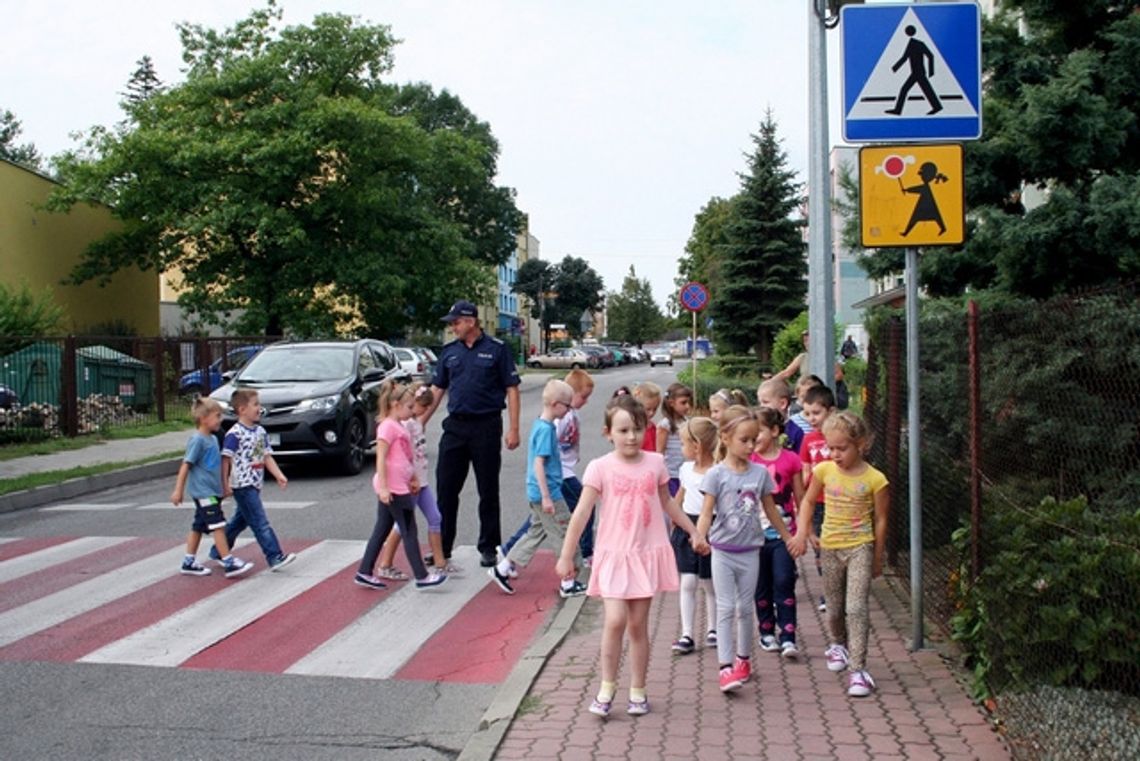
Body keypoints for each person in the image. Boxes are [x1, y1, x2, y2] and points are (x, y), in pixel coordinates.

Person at [557, 395, 707, 718]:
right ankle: (607, 685)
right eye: (623, 430)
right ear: (608, 432)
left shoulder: (655, 463)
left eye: (637, 429)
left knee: (638, 626)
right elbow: (582, 513)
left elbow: (668, 503)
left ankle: (638, 689)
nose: (631, 437)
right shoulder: (600, 467)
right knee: (615, 620)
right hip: (613, 554)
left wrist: (693, 531)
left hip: (644, 554)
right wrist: (567, 555)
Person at [696, 405, 800, 693]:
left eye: (754, 439)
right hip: (722, 551)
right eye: (744, 440)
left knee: (745, 609)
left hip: (751, 551)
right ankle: (725, 667)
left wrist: (787, 536)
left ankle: (743, 660)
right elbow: (706, 512)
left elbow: (771, 508)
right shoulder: (716, 475)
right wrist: (699, 536)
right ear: (725, 437)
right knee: (726, 607)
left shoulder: (759, 474)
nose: (751, 445)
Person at [789, 412, 889, 698]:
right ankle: (838, 644)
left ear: (861, 445)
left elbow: (881, 519)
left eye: (841, 448)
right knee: (833, 608)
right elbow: (808, 502)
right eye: (830, 448)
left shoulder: (876, 479)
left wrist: (878, 556)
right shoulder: (824, 471)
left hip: (860, 547)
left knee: (855, 608)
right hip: (830, 547)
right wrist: (801, 533)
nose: (834, 454)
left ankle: (858, 670)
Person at [426, 299, 521, 569]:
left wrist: (513, 428)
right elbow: (437, 389)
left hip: (486, 426)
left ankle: (489, 547)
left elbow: (512, 388)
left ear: (471, 322)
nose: (452, 327)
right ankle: (442, 546)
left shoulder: (497, 350)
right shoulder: (449, 352)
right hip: (455, 427)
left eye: (456, 322)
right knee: (446, 490)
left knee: (487, 490)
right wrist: (420, 422)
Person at [490, 379, 587, 598]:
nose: (569, 410)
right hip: (548, 493)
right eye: (567, 405)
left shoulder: (540, 425)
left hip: (539, 492)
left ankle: (503, 567)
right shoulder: (546, 430)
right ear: (554, 404)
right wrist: (547, 497)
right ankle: (568, 582)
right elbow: (538, 464)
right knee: (564, 532)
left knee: (535, 532)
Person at [355, 380, 447, 590]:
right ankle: (422, 576)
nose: (412, 411)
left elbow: (407, 457)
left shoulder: (397, 426)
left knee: (382, 529)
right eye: (409, 407)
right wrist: (385, 487)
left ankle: (364, 571)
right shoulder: (387, 427)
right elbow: (381, 458)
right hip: (395, 489)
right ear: (396, 404)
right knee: (409, 530)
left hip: (400, 486)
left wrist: (414, 477)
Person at [374, 384, 454, 580]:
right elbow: (394, 455)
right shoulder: (404, 425)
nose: (424, 411)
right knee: (401, 527)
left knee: (435, 518)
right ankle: (386, 563)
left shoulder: (416, 422)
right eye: (421, 407)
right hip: (409, 483)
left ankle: (440, 562)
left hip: (421, 480)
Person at [170, 397, 253, 578]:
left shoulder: (213, 439)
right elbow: (186, 465)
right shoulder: (198, 440)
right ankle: (229, 561)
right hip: (203, 492)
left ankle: (189, 561)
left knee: (198, 526)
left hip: (211, 491)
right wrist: (178, 490)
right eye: (217, 416)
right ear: (204, 418)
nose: (220, 420)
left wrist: (224, 487)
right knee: (218, 526)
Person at [213, 389, 295, 572]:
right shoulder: (235, 434)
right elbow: (225, 460)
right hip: (242, 485)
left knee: (239, 522)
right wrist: (225, 484)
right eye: (255, 404)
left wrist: (279, 475)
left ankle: (218, 550)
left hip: (255, 483)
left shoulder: (260, 431)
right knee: (260, 522)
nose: (260, 408)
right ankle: (274, 556)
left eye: (259, 404)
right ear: (242, 409)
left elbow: (266, 456)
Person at [750, 406, 805, 659]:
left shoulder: (791, 460)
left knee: (783, 580)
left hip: (784, 534)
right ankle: (766, 631)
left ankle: (789, 636)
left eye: (757, 432)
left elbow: (800, 498)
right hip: (753, 536)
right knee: (761, 586)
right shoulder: (748, 461)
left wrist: (803, 532)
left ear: (774, 431)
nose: (752, 440)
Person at [669, 417, 718, 655]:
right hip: (687, 525)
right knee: (688, 581)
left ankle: (713, 628)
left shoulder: (718, 471)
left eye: (683, 443)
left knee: (710, 583)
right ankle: (686, 632)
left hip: (711, 527)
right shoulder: (685, 469)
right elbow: (680, 494)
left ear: (697, 445)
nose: (681, 448)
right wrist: (673, 517)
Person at [800, 384, 838, 612]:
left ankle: (837, 591)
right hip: (818, 501)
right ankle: (828, 590)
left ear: (830, 411)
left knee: (835, 547)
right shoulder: (808, 440)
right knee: (820, 548)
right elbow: (805, 470)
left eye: (816, 413)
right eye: (807, 414)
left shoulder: (839, 438)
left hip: (837, 500)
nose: (811, 419)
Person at [656, 383, 694, 496]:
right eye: (683, 403)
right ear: (671, 403)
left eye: (688, 402)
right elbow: (660, 451)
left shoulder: (686, 421)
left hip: (684, 472)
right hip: (671, 474)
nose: (687, 406)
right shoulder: (665, 425)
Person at [757, 378, 804, 453]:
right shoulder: (758, 429)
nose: (761, 407)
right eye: (760, 403)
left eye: (765, 402)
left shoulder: (796, 432)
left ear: (783, 403)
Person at [633, 382, 662, 452]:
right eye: (648, 409)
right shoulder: (632, 427)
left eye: (655, 409)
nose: (651, 413)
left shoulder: (652, 426)